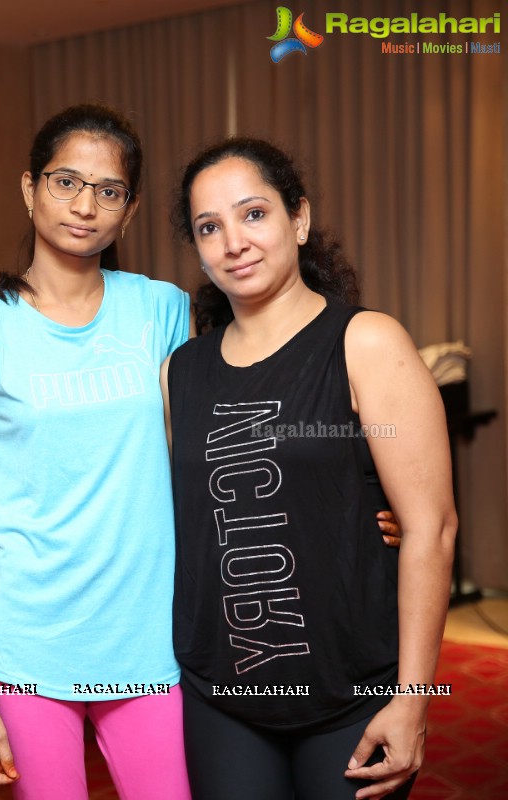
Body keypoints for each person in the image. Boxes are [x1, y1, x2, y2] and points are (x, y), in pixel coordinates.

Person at [163, 137, 456, 799]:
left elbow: (431, 529)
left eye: (254, 214)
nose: (234, 241)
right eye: (210, 227)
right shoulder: (180, 372)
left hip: (349, 693)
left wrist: (413, 701)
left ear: (299, 219)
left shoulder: (366, 342)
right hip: (221, 698)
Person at [0, 103, 194, 799]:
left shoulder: (162, 311)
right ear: (29, 189)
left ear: (130, 210)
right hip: (28, 644)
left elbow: (212, 452)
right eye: (65, 182)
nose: (85, 206)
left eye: (108, 191)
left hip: (145, 642)